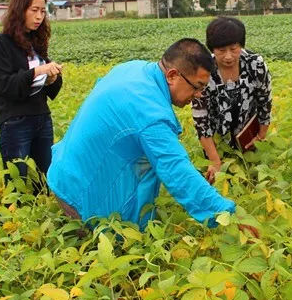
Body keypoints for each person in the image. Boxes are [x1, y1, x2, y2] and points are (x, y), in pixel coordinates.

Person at [47, 38, 250, 234]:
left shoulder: (133, 69)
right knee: (130, 248)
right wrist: (228, 215)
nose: (199, 95)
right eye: (197, 87)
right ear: (172, 75)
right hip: (80, 200)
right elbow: (176, 171)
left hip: (64, 174)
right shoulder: (150, 114)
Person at [0, 0, 62, 192]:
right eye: (34, 10)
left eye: (42, 11)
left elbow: (51, 90)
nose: (39, 16)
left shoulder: (36, 43)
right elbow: (5, 85)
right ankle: (18, 223)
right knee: (18, 184)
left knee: (46, 181)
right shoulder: (1, 43)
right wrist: (38, 72)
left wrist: (51, 79)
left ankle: (43, 220)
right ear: (20, 10)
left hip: (41, 118)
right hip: (15, 123)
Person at [191, 17, 272, 183]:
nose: (228, 56)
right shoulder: (203, 71)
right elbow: (201, 121)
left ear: (240, 45)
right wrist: (215, 160)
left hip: (248, 137)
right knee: (220, 182)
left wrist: (261, 135)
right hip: (217, 141)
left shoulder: (255, 64)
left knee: (251, 179)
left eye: (233, 49)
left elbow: (265, 101)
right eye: (221, 50)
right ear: (212, 48)